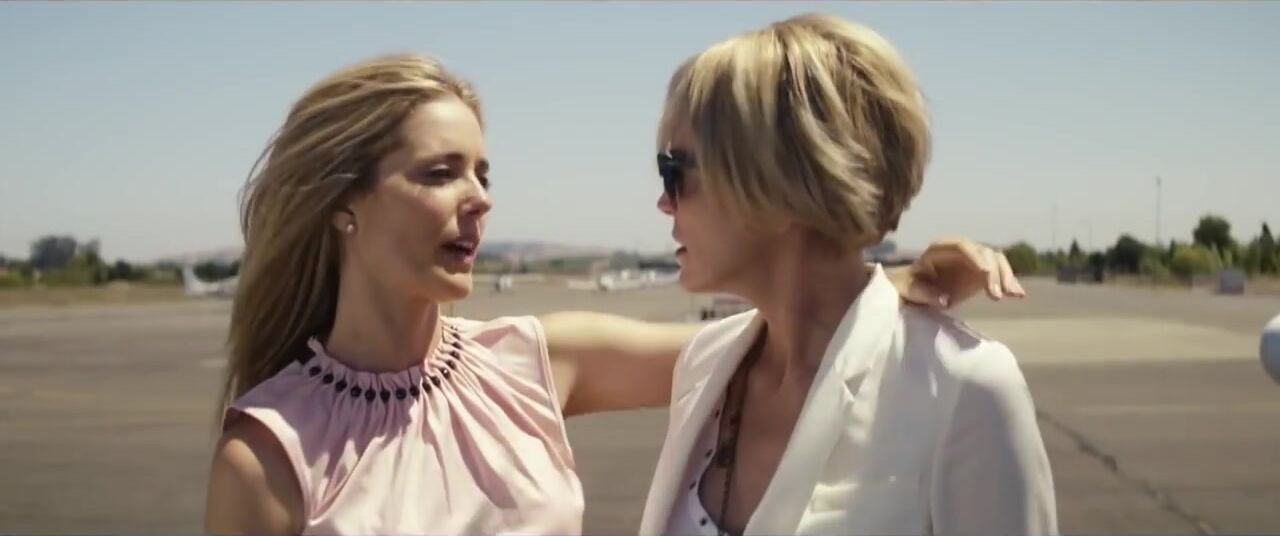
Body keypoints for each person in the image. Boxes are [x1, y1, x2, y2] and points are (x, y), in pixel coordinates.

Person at [202, 53, 1025, 535]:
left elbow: (790, 334)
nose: (480, 198)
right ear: (343, 203)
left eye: (484, 173)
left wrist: (899, 277)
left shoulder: (532, 363)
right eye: (440, 173)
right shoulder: (268, 455)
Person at [637, 13, 1056, 536]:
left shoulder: (962, 388)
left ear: (777, 182)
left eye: (674, 172)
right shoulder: (705, 363)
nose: (663, 202)